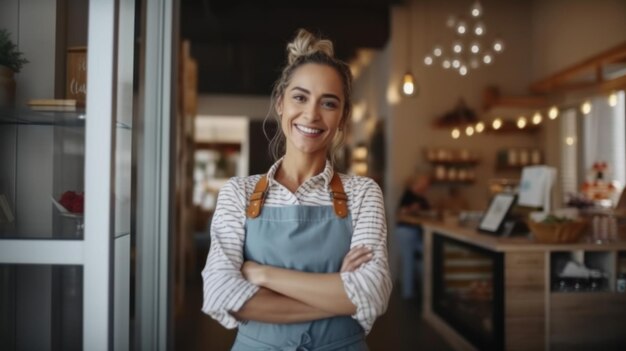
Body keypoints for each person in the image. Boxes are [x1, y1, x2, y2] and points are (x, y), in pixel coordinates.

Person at [201, 29, 392, 351]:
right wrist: (343, 296)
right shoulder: (238, 193)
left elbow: (373, 292)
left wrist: (261, 274)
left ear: (343, 117)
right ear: (280, 103)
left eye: (328, 103)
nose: (312, 114)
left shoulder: (363, 193)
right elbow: (220, 294)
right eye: (300, 97)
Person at [394, 174, 431, 299]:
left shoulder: (422, 198)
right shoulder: (408, 195)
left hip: (416, 232)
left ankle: (412, 291)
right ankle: (408, 292)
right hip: (406, 231)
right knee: (409, 260)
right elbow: (400, 212)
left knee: (418, 258)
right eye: (423, 183)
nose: (425, 186)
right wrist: (410, 209)